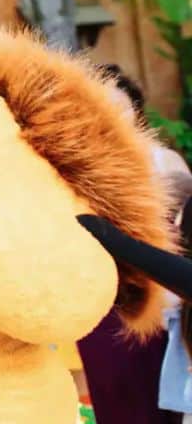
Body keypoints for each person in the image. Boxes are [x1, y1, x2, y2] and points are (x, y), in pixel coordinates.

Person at [77, 64, 192, 424]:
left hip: (158, 301)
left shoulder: (163, 162)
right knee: (116, 400)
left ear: (135, 111)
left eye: (118, 108)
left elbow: (184, 236)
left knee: (165, 402)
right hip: (101, 303)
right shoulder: (73, 169)